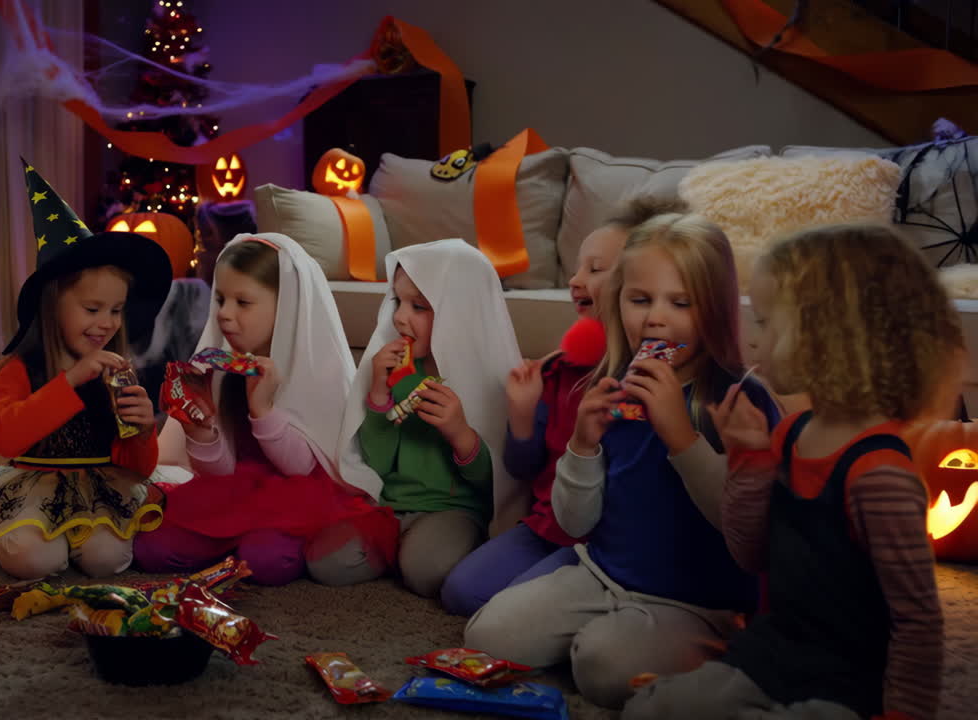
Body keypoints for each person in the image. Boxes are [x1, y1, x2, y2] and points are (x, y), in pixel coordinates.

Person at [624, 223, 957, 720]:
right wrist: (749, 459)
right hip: (774, 653)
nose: (753, 342)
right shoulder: (790, 434)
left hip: (845, 683)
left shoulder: (880, 476)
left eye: (766, 323)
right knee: (648, 711)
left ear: (826, 337)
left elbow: (918, 621)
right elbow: (751, 552)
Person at [464, 213, 779, 709]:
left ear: (715, 310)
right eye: (640, 300)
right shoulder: (609, 387)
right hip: (600, 573)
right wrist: (582, 446)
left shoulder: (740, 400)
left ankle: (691, 646)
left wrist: (681, 435)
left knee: (603, 667)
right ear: (617, 304)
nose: (655, 318)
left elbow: (744, 530)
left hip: (697, 601)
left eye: (680, 303)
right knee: (487, 636)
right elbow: (575, 522)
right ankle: (614, 631)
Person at [0, 160, 171, 579]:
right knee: (36, 561)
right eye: (92, 309)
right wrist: (70, 381)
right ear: (53, 307)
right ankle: (7, 536)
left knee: (107, 561)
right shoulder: (21, 368)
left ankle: (75, 542)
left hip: (98, 488)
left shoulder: (116, 373)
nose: (107, 323)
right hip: (32, 488)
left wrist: (144, 431)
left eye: (116, 310)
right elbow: (5, 438)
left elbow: (137, 468)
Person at [441, 195, 689, 616]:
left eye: (595, 269)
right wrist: (522, 414)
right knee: (462, 592)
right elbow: (524, 466)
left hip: (612, 541)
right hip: (551, 526)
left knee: (512, 610)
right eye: (577, 268)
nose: (576, 280)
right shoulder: (560, 371)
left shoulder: (659, 376)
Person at [135, 233, 397, 586]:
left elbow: (302, 468)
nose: (224, 314)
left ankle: (242, 548)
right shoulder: (222, 366)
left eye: (243, 302)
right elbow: (219, 472)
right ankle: (229, 545)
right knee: (152, 548)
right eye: (221, 299)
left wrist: (263, 411)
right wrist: (201, 433)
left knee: (265, 559)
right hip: (237, 490)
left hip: (302, 495)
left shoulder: (319, 371)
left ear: (286, 307)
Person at [313, 239, 523, 598]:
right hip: (390, 506)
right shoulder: (400, 372)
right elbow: (377, 463)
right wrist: (379, 395)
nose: (399, 317)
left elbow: (500, 486)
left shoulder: (489, 379)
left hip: (452, 510)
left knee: (425, 571)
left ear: (459, 311)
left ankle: (420, 551)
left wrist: (461, 435)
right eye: (398, 301)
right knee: (325, 562)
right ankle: (401, 548)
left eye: (419, 306)